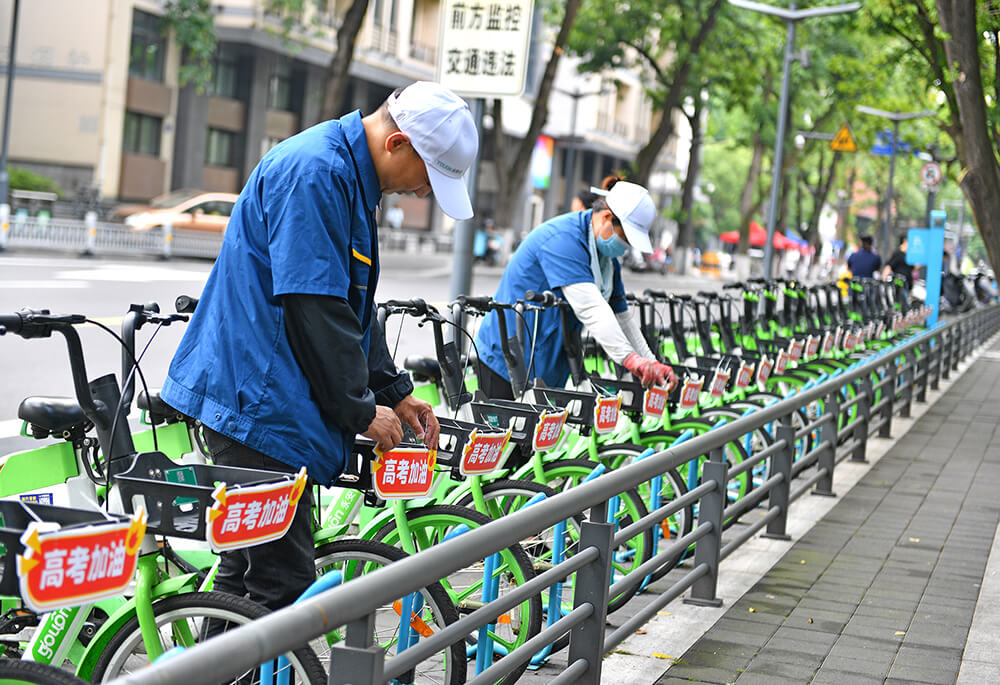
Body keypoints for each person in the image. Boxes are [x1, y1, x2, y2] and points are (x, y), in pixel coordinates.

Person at [160, 81, 478, 611]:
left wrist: (393, 390)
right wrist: (359, 410)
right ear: (397, 143)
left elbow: (354, 305)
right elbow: (317, 309)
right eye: (428, 176)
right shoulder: (317, 172)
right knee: (280, 584)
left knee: (246, 581)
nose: (422, 193)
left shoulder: (347, 176)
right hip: (257, 402)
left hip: (268, 398)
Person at [475, 176, 678, 399]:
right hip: (507, 361)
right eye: (626, 238)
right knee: (503, 434)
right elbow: (591, 308)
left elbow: (622, 317)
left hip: (548, 365)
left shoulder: (606, 261)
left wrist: (651, 362)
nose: (626, 248)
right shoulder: (564, 239)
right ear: (607, 218)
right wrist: (631, 360)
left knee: (542, 433)